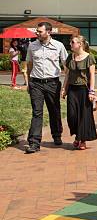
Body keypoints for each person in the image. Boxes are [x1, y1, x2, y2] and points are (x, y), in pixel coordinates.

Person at [25, 22, 68, 153]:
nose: (37, 33)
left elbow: (66, 66)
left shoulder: (58, 46)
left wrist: (65, 86)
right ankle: (34, 143)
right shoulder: (32, 46)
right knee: (37, 112)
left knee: (54, 110)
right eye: (37, 31)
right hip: (36, 83)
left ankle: (56, 135)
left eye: (40, 31)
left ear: (48, 32)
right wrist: (28, 83)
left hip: (52, 83)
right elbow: (29, 65)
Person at [61, 35, 97, 150]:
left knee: (84, 116)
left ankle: (82, 140)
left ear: (80, 44)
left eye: (72, 42)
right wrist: (64, 89)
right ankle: (77, 135)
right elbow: (67, 74)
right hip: (72, 89)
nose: (70, 44)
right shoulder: (70, 57)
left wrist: (91, 91)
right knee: (72, 115)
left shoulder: (89, 57)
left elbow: (92, 75)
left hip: (84, 89)